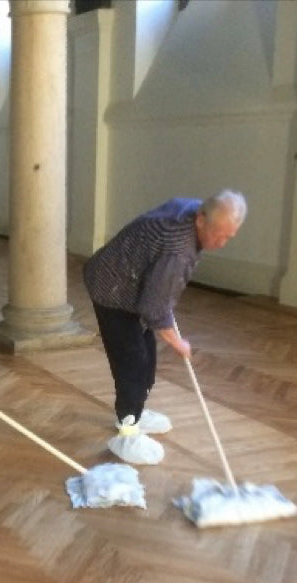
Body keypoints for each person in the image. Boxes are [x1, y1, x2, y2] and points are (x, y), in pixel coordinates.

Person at [83, 190, 247, 465]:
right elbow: (153, 308)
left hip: (134, 282)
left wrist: (164, 307)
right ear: (200, 220)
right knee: (133, 364)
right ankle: (127, 429)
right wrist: (177, 342)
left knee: (147, 359)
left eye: (229, 236)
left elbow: (158, 294)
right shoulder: (178, 250)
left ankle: (136, 410)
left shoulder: (194, 209)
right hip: (112, 288)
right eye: (218, 234)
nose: (221, 243)